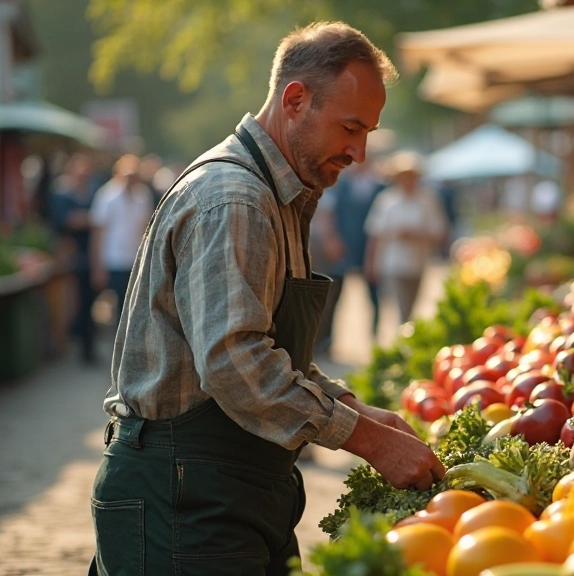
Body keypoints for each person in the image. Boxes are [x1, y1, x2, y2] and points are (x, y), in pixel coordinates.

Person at [89, 22, 445, 576]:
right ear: (295, 100)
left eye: (368, 132)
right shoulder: (236, 199)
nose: (359, 152)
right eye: (350, 128)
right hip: (183, 497)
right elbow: (235, 362)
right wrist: (367, 440)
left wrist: (355, 408)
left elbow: (269, 348)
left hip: (223, 488)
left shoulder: (276, 195)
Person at [364, 151, 447, 325]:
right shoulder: (387, 200)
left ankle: (405, 333)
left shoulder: (427, 199)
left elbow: (439, 231)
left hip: (418, 262)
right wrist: (371, 262)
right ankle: (403, 335)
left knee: (411, 306)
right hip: (393, 263)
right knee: (401, 308)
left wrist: (415, 235)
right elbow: (375, 233)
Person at [311, 160, 385, 356]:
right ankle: (325, 341)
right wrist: (331, 240)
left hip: (367, 249)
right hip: (343, 249)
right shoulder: (339, 184)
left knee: (375, 297)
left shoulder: (379, 186)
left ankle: (375, 340)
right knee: (333, 297)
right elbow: (328, 214)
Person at [89, 154, 154, 325]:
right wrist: (97, 266)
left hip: (135, 259)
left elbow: (146, 228)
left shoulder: (143, 195)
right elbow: (98, 233)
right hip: (114, 258)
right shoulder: (107, 196)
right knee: (120, 305)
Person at [50, 152, 99, 364]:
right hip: (69, 256)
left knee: (87, 301)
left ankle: (85, 345)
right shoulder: (62, 192)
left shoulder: (92, 192)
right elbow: (67, 221)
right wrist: (92, 218)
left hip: (88, 255)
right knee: (70, 304)